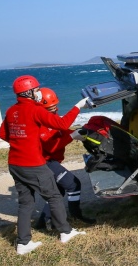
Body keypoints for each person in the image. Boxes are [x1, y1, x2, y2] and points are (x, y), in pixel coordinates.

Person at [0, 75, 89, 255]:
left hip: (15, 163)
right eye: (37, 89)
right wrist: (79, 106)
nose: (39, 92)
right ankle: (66, 232)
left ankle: (23, 243)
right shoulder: (35, 110)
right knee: (54, 195)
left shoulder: (11, 111)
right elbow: (62, 123)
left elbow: (3, 135)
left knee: (26, 203)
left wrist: (23, 141)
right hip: (33, 163)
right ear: (29, 92)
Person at [35, 88, 96, 230]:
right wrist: (72, 136)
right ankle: (76, 215)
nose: (54, 109)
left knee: (58, 192)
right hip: (45, 162)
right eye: (50, 107)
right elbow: (51, 147)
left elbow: (60, 129)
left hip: (50, 161)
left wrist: (75, 133)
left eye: (55, 106)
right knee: (73, 184)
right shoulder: (39, 122)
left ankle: (42, 223)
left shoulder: (50, 115)